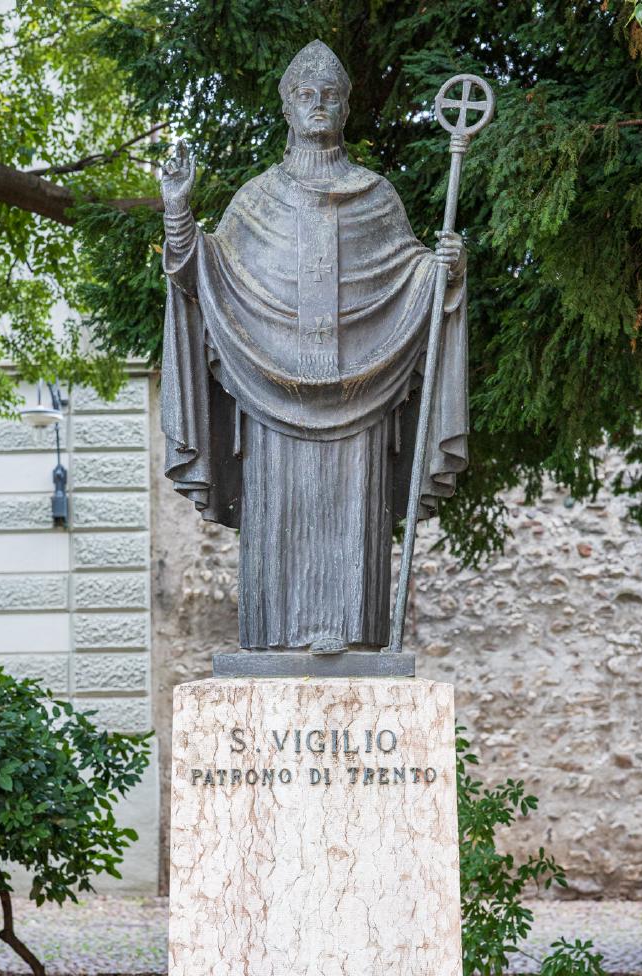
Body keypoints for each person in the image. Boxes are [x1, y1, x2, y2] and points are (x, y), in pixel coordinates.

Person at [160, 40, 468, 654]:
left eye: (331, 95)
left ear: (347, 107)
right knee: (278, 516)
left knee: (353, 516)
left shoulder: (377, 197)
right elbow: (206, 274)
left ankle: (354, 640)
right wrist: (176, 215)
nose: (319, 104)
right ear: (287, 107)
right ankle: (272, 642)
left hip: (363, 392)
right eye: (306, 94)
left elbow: (410, 279)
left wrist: (445, 271)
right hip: (270, 395)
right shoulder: (255, 200)